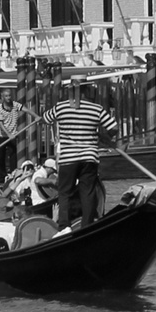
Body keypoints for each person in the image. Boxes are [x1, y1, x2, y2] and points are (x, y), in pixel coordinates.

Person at [44, 76, 116, 228]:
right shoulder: (96, 109)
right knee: (87, 192)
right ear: (86, 89)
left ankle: (64, 225)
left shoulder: (61, 107)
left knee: (64, 193)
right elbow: (114, 127)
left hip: (68, 158)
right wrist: (104, 137)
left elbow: (45, 119)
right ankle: (87, 225)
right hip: (89, 157)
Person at [0, 91, 27, 183]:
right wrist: (8, 135)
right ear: (2, 97)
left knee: (13, 155)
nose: (8, 97)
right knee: (1, 156)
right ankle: (2, 176)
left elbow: (26, 110)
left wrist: (36, 117)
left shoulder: (15, 105)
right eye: (6, 96)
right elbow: (0, 124)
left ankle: (13, 174)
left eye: (9, 95)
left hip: (13, 135)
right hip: (1, 135)